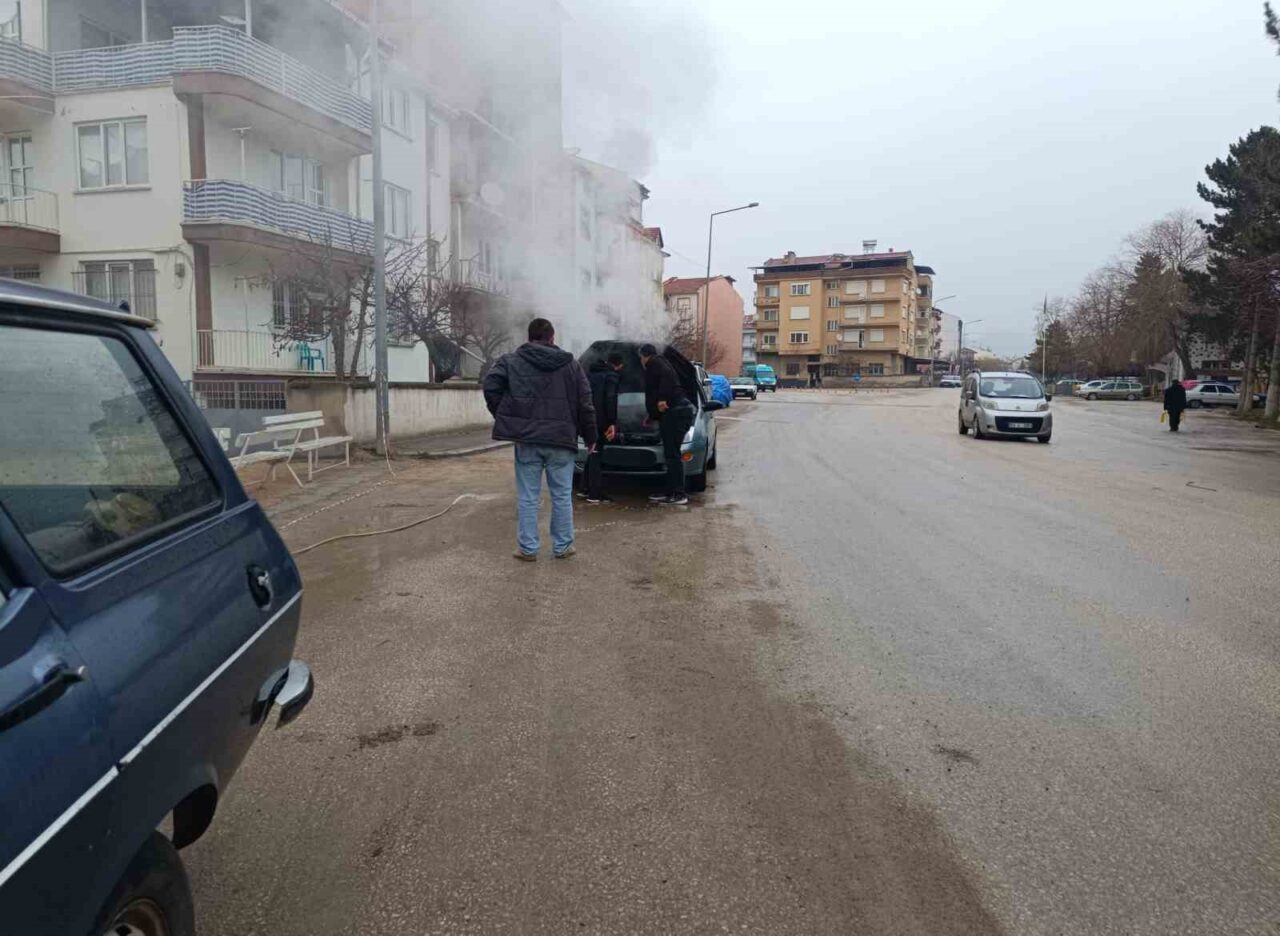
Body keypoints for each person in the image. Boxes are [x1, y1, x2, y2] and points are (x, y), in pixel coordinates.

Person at [484, 318, 597, 560]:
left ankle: (528, 549)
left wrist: (506, 415)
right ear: (552, 338)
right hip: (561, 440)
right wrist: (591, 436)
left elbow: (490, 385)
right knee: (562, 495)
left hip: (527, 440)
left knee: (528, 497)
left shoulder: (512, 361)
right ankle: (563, 546)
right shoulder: (572, 365)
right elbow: (585, 403)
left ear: (529, 337)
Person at [639, 343, 695, 506]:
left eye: (641, 358)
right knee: (670, 455)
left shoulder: (655, 363)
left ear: (644, 356)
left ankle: (679, 494)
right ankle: (670, 491)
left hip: (676, 413)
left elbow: (666, 379)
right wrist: (653, 415)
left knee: (673, 455)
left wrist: (663, 398)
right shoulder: (661, 362)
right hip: (676, 412)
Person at [583, 352, 625, 504]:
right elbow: (610, 398)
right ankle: (594, 494)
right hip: (600, 420)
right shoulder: (611, 376)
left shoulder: (590, 373)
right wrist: (612, 422)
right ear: (618, 365)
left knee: (592, 452)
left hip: (587, 418)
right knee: (596, 454)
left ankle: (585, 487)